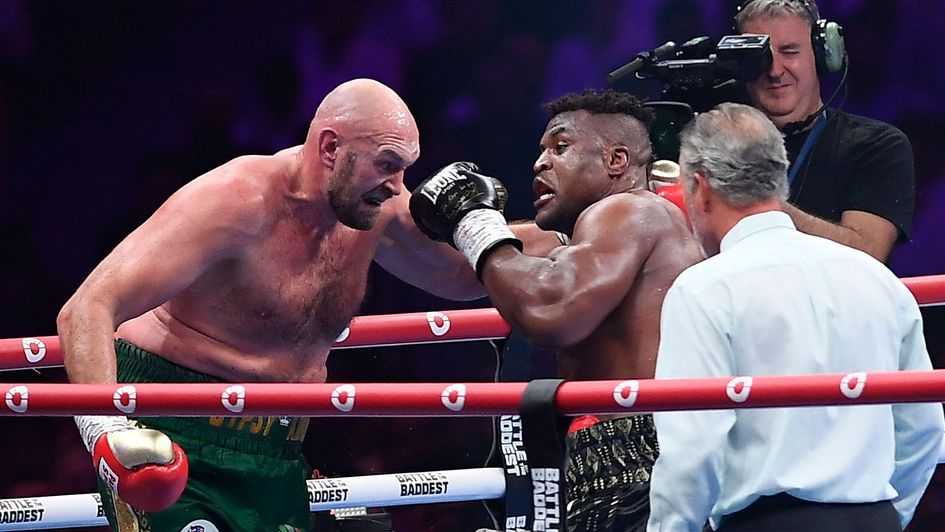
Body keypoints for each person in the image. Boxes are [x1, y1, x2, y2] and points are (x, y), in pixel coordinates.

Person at [56, 78, 489, 531]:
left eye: (405, 168)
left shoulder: (375, 209)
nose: (398, 186)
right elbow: (87, 306)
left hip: (278, 449)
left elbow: (462, 277)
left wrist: (546, 228)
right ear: (329, 149)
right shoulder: (237, 201)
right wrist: (104, 431)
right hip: (172, 433)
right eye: (386, 164)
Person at [410, 89, 704, 531]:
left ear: (616, 162)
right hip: (623, 456)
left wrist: (474, 223)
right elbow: (475, 264)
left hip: (641, 458)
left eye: (560, 148)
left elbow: (551, 310)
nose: (540, 163)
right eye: (542, 151)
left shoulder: (628, 209)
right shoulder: (601, 235)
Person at [645, 102, 944, 532]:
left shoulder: (704, 289)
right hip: (872, 517)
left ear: (700, 188)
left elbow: (694, 446)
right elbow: (925, 430)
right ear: (778, 180)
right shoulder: (875, 278)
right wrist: (886, 516)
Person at [735, 0, 915, 262]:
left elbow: (867, 254)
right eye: (759, 56)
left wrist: (765, 209)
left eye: (789, 52)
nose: (774, 70)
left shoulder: (877, 145)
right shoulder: (716, 147)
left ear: (822, 55)